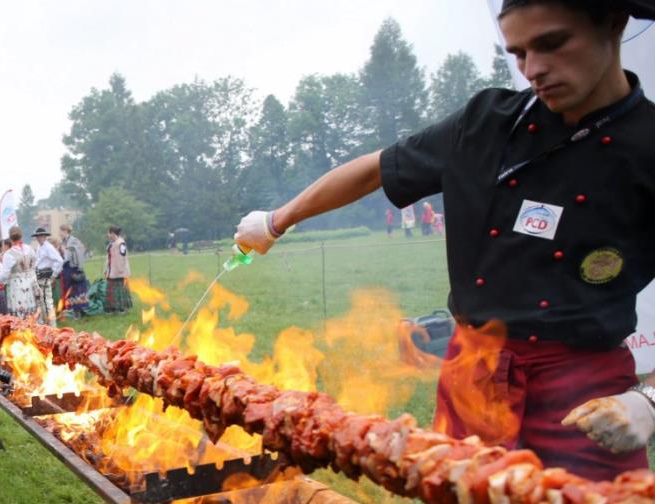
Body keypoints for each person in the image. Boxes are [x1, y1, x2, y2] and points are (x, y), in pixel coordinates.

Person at [233, 0, 655, 481]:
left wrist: (648, 400)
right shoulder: (487, 122)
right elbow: (377, 167)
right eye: (518, 53)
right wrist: (276, 221)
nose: (534, 70)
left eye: (552, 44)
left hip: (586, 393)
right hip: (474, 375)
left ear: (614, 21)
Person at [0, 226, 39, 319]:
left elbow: (4, 275)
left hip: (16, 286)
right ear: (21, 236)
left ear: (10, 237)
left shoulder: (9, 254)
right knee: (31, 312)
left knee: (19, 313)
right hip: (31, 283)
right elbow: (35, 266)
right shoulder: (31, 249)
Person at [31, 227, 63, 326]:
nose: (39, 238)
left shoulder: (48, 247)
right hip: (39, 276)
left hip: (45, 276)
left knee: (47, 302)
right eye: (37, 236)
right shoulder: (40, 247)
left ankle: (52, 326)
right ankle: (45, 323)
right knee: (41, 302)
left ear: (45, 236)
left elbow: (59, 260)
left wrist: (53, 275)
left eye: (41, 236)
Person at [58, 223, 89, 318]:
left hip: (74, 268)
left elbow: (79, 252)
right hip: (66, 268)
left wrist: (65, 250)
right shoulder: (63, 242)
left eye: (61, 231)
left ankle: (78, 311)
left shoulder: (74, 241)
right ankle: (73, 309)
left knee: (77, 290)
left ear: (65, 231)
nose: (59, 233)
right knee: (70, 290)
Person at [104, 225, 132, 315]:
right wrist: (107, 269)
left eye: (108, 233)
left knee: (120, 290)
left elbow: (122, 257)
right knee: (111, 290)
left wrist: (119, 270)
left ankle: (122, 308)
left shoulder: (120, 243)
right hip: (112, 270)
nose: (107, 235)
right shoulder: (112, 243)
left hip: (119, 271)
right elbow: (109, 257)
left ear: (112, 233)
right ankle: (113, 308)